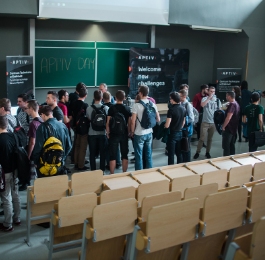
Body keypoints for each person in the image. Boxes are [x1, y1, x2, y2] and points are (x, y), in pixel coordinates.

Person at [33, 105, 72, 177]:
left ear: (43, 115)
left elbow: (38, 147)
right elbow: (69, 146)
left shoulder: (42, 127)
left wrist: (35, 161)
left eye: (40, 116)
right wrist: (61, 158)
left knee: (46, 187)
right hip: (60, 165)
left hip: (45, 166)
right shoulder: (63, 125)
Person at [131, 85, 160, 170]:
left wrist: (132, 132)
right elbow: (158, 119)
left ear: (140, 93)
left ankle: (139, 174)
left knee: (138, 155)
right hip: (149, 132)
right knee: (148, 154)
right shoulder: (153, 104)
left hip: (139, 133)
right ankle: (149, 172)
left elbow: (133, 121)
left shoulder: (136, 105)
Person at [0, 116, 21, 232]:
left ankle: (8, 224)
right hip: (15, 171)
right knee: (15, 194)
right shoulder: (14, 136)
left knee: (6, 197)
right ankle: (17, 218)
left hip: (4, 173)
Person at [17, 100, 43, 191]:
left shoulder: (33, 124)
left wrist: (28, 155)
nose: (26, 110)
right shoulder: (41, 120)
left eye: (27, 108)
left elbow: (32, 142)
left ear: (31, 109)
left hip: (34, 153)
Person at [106, 90, 132, 174]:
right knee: (124, 155)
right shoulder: (127, 109)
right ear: (124, 98)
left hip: (113, 134)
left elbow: (108, 122)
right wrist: (128, 133)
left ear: (115, 98)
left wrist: (108, 133)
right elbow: (129, 123)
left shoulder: (111, 108)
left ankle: (112, 174)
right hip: (124, 134)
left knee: (112, 156)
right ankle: (124, 173)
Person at [194, 87, 221, 159]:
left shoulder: (217, 100)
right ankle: (197, 152)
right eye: (211, 91)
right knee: (202, 138)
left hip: (213, 122)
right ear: (208, 92)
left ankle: (207, 152)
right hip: (205, 122)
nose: (212, 93)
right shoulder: (204, 99)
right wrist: (209, 98)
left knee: (210, 139)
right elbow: (202, 105)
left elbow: (220, 109)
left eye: (213, 91)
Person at [87, 90, 109, 172]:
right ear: (102, 98)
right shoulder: (106, 108)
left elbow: (89, 119)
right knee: (102, 153)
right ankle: (102, 171)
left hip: (92, 133)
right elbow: (107, 120)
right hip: (102, 133)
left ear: (93, 97)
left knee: (92, 153)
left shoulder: (89, 108)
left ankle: (93, 170)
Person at [71, 87, 89, 171]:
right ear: (85, 95)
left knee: (77, 145)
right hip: (83, 128)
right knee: (83, 147)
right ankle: (81, 165)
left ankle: (76, 163)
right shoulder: (85, 105)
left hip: (75, 126)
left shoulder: (73, 103)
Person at [165, 92, 185, 165]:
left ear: (173, 100)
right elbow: (183, 122)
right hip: (180, 133)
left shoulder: (171, 110)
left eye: (170, 99)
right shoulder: (183, 108)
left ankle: (171, 169)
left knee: (171, 154)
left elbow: (167, 125)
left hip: (172, 134)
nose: (170, 100)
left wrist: (164, 125)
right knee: (179, 153)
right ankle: (180, 168)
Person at [103, 91, 121, 170]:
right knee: (116, 146)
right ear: (111, 98)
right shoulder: (115, 107)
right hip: (115, 129)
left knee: (107, 147)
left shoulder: (103, 107)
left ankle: (108, 162)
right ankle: (118, 162)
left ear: (103, 99)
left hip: (106, 130)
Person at [222, 91, 240, 156]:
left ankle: (226, 161)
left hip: (228, 128)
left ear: (229, 97)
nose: (226, 97)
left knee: (226, 147)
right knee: (232, 145)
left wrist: (223, 126)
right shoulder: (236, 104)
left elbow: (229, 117)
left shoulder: (232, 105)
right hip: (234, 128)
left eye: (226, 96)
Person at [179, 89, 194, 162]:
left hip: (186, 130)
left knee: (187, 148)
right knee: (181, 148)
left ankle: (187, 163)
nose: (178, 97)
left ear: (184, 96)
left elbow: (191, 118)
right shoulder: (180, 104)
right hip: (181, 129)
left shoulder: (188, 105)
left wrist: (183, 122)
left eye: (180, 96)